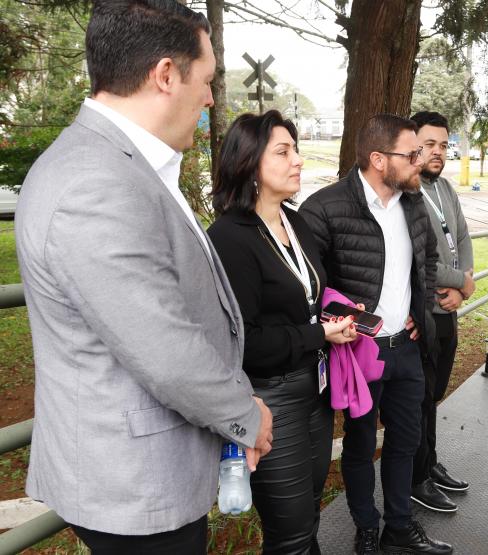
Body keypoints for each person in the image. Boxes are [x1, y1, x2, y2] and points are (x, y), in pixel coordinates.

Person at [14, 1, 273, 552]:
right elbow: (165, 347)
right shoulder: (95, 183)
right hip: (134, 490)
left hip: (141, 473)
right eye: (205, 81)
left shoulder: (119, 164)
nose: (208, 98)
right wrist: (243, 415)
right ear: (165, 75)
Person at [300, 114, 452, 555]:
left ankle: (399, 528)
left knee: (407, 442)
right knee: (361, 444)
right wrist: (338, 322)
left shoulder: (413, 202)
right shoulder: (325, 208)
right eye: (412, 154)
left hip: (407, 351)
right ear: (378, 159)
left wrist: (420, 317)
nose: (419, 161)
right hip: (358, 355)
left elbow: (423, 267)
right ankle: (366, 527)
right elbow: (310, 286)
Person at [207, 110, 358, 554]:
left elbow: (304, 297)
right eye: (283, 151)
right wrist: (320, 336)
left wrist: (337, 312)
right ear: (250, 163)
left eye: (296, 150)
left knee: (307, 514)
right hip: (271, 399)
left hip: (314, 390)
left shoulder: (296, 223)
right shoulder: (231, 238)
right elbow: (247, 341)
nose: (298, 160)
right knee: (290, 533)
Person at [409, 111, 475, 513]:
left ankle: (430, 464)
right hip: (423, 316)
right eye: (429, 144)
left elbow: (463, 236)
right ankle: (416, 478)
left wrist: (464, 283)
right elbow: (420, 260)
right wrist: (460, 281)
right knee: (417, 399)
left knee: (433, 397)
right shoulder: (407, 192)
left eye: (443, 144)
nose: (438, 152)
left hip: (448, 312)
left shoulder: (445, 188)